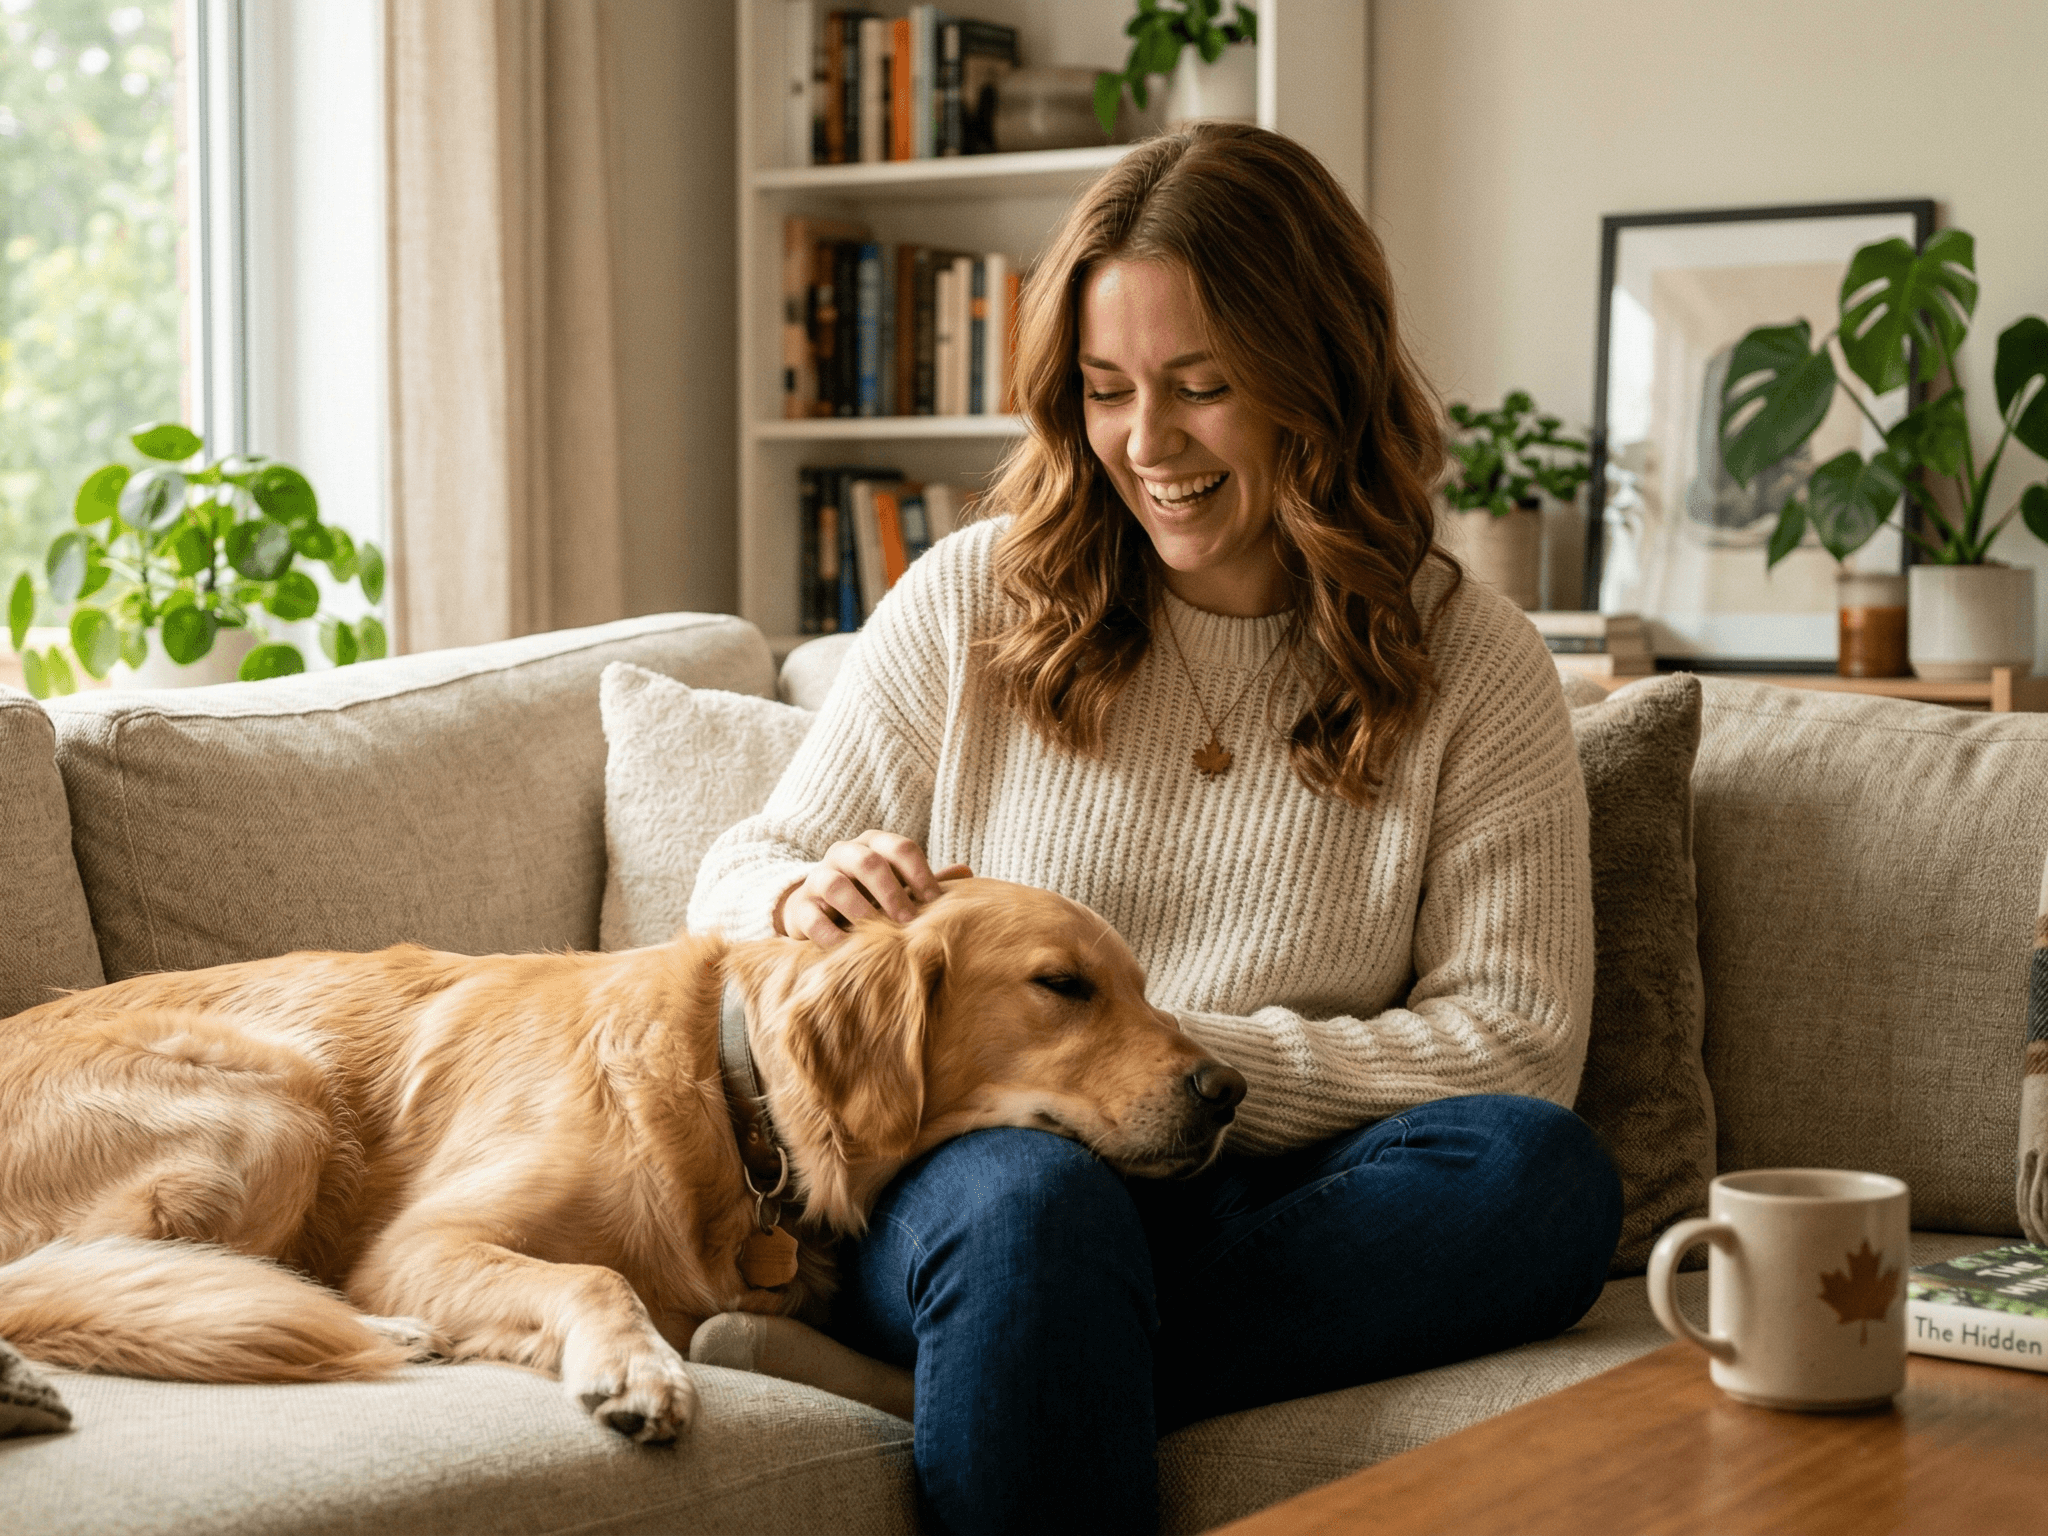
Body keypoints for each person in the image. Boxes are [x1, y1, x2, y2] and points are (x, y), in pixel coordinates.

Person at [685, 122, 1620, 1536]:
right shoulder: (973, 597)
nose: (1146, 442)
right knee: (1040, 1211)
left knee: (1538, 1180)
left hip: (1274, 1188)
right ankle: (1007, 1325)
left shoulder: (1469, 659)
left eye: (1203, 389)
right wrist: (807, 893)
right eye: (1108, 390)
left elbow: (1518, 1040)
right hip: (990, 1180)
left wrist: (1167, 1070)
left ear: (1320, 380)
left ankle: (979, 1367)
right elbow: (730, 876)